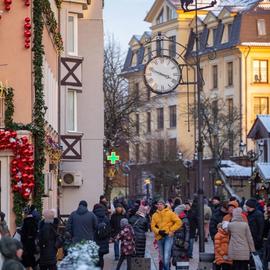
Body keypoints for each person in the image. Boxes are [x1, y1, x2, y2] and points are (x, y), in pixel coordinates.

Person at [151, 199, 182, 270]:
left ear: (164, 205)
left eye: (161, 204)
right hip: (159, 237)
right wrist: (158, 231)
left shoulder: (170, 213)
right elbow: (152, 226)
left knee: (166, 256)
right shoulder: (155, 215)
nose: (159, 205)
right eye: (158, 204)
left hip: (168, 236)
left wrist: (171, 230)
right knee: (162, 258)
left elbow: (179, 222)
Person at [93, 204, 110, 269]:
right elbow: (109, 230)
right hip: (103, 241)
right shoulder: (105, 218)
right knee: (101, 257)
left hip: (95, 241)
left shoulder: (93, 217)